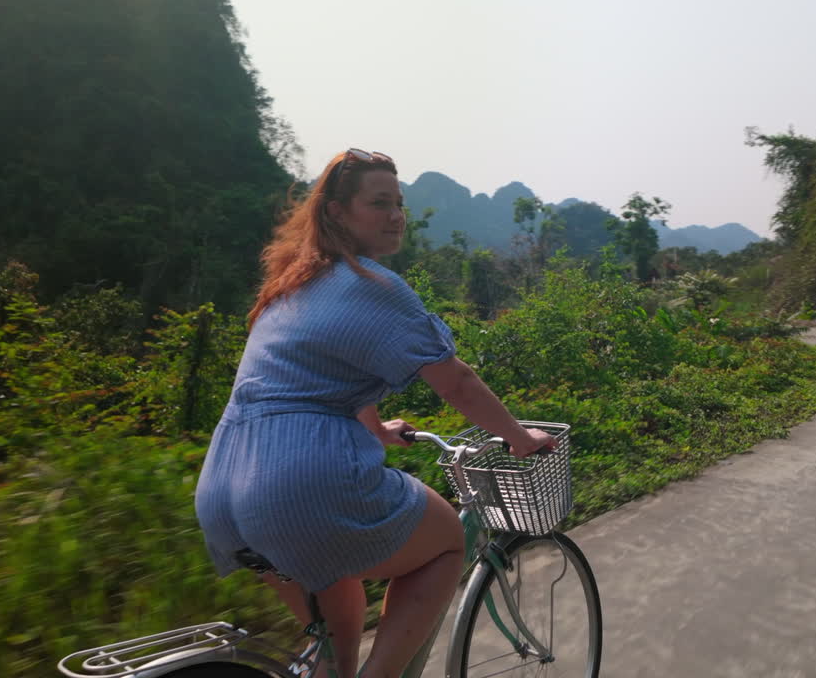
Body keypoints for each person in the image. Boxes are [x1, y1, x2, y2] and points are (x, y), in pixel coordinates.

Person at [194, 148, 555, 678]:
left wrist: (378, 428)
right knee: (446, 544)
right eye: (379, 203)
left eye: (399, 204)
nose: (395, 216)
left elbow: (320, 382)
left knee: (335, 630)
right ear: (338, 212)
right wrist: (518, 436)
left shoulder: (292, 286)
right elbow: (456, 380)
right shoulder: (371, 286)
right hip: (301, 483)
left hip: (224, 490)